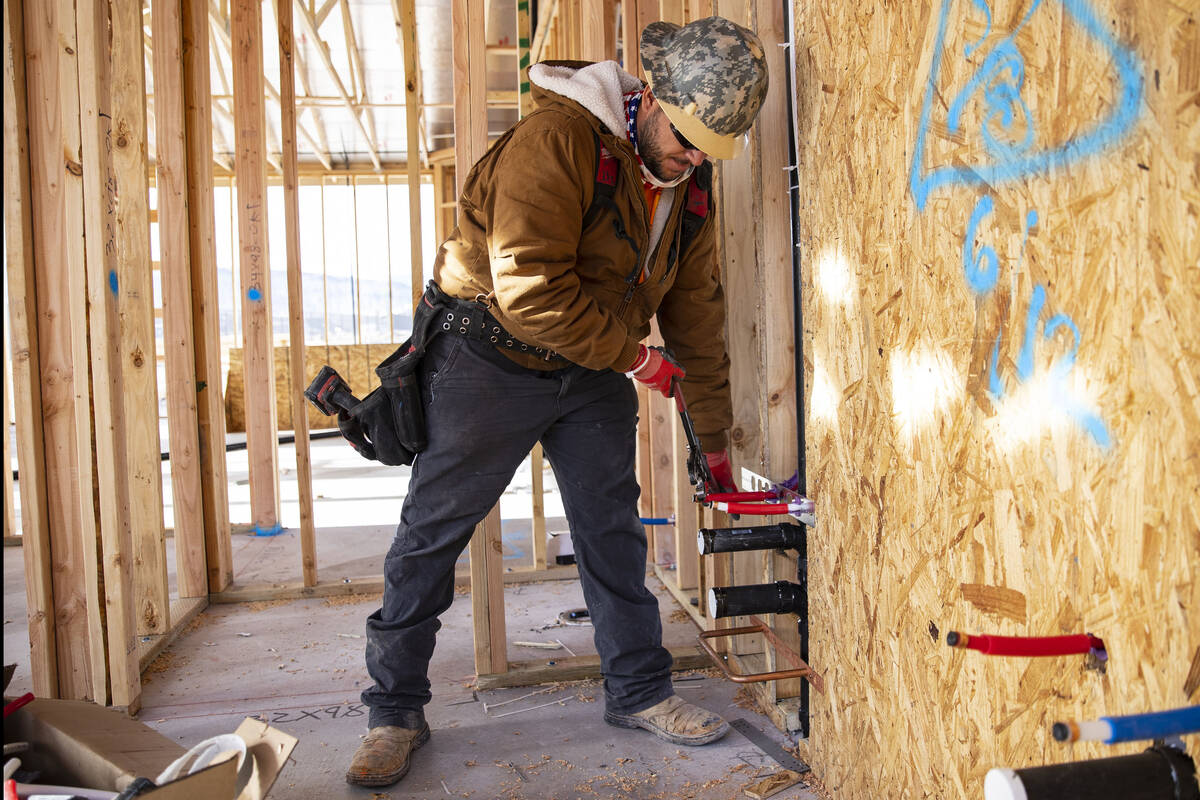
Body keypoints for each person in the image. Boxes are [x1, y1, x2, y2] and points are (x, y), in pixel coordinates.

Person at [346, 15, 770, 788]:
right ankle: (393, 710)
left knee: (612, 532)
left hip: (591, 365)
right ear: (649, 99)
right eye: (687, 138)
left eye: (710, 147)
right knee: (433, 534)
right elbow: (529, 293)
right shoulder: (557, 143)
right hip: (489, 355)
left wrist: (712, 441)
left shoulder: (687, 184)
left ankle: (640, 691)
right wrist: (639, 359)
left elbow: (697, 319)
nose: (693, 158)